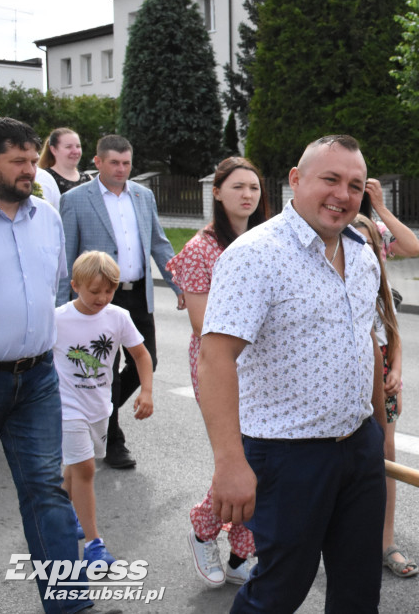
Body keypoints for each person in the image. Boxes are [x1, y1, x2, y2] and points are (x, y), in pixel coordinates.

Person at [198, 135, 388, 612]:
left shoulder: (363, 254)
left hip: (358, 447)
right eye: (330, 179)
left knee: (359, 591)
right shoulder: (255, 254)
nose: (343, 195)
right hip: (287, 457)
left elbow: (366, 342)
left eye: (354, 185)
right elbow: (215, 357)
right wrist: (229, 462)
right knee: (279, 591)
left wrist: (378, 434)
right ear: (296, 180)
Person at [0, 115, 95, 613]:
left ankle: (69, 605)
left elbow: (56, 286)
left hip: (35, 378)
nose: (29, 171)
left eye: (33, 160)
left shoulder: (48, 217)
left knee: (47, 494)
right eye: (17, 161)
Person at [166, 157, 268, 588]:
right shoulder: (200, 249)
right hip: (219, 367)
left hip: (264, 365)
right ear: (217, 192)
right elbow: (201, 324)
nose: (248, 195)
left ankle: (242, 555)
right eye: (238, 187)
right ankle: (202, 528)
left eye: (255, 188)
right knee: (240, 458)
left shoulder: (266, 241)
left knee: (260, 459)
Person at [57, 135, 182, 469]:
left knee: (147, 362)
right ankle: (112, 442)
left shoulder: (143, 196)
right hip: (97, 298)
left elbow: (159, 243)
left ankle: (99, 416)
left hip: (137, 294)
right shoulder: (75, 200)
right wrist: (61, 306)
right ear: (98, 162)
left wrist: (179, 285)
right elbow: (66, 257)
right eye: (114, 162)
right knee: (104, 370)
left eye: (127, 163)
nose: (122, 169)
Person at [54, 251, 153, 567]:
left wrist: (147, 391)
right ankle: (95, 545)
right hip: (66, 408)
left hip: (99, 407)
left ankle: (65, 513)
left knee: (75, 466)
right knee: (85, 469)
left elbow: (141, 355)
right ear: (74, 286)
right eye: (94, 291)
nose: (102, 298)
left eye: (108, 291)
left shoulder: (118, 317)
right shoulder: (56, 319)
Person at [353, 214, 417, 579]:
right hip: (348, 380)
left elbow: (393, 335)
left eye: (370, 247)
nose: (363, 253)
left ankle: (385, 541)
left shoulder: (381, 287)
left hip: (382, 380)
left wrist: (395, 372)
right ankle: (343, 538)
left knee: (385, 458)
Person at [39, 128, 91, 195]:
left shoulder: (89, 179)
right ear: (54, 150)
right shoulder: (44, 178)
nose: (75, 151)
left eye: (78, 146)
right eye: (68, 147)